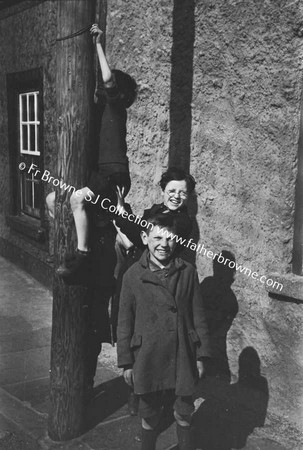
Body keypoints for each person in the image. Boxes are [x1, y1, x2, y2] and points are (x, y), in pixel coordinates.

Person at [46, 23, 137, 281]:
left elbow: (109, 81)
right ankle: (75, 243)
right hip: (99, 174)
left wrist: (97, 44)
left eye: (107, 87)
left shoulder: (117, 108)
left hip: (113, 174)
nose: (100, 88)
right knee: (53, 200)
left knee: (76, 199)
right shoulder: (98, 112)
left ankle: (83, 256)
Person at [117, 213, 210, 450]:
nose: (163, 244)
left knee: (184, 411)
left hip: (182, 353)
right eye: (157, 238)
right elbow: (124, 323)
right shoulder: (132, 276)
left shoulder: (187, 271)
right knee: (150, 415)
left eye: (169, 239)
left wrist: (201, 355)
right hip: (147, 355)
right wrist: (126, 362)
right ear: (145, 237)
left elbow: (198, 315)